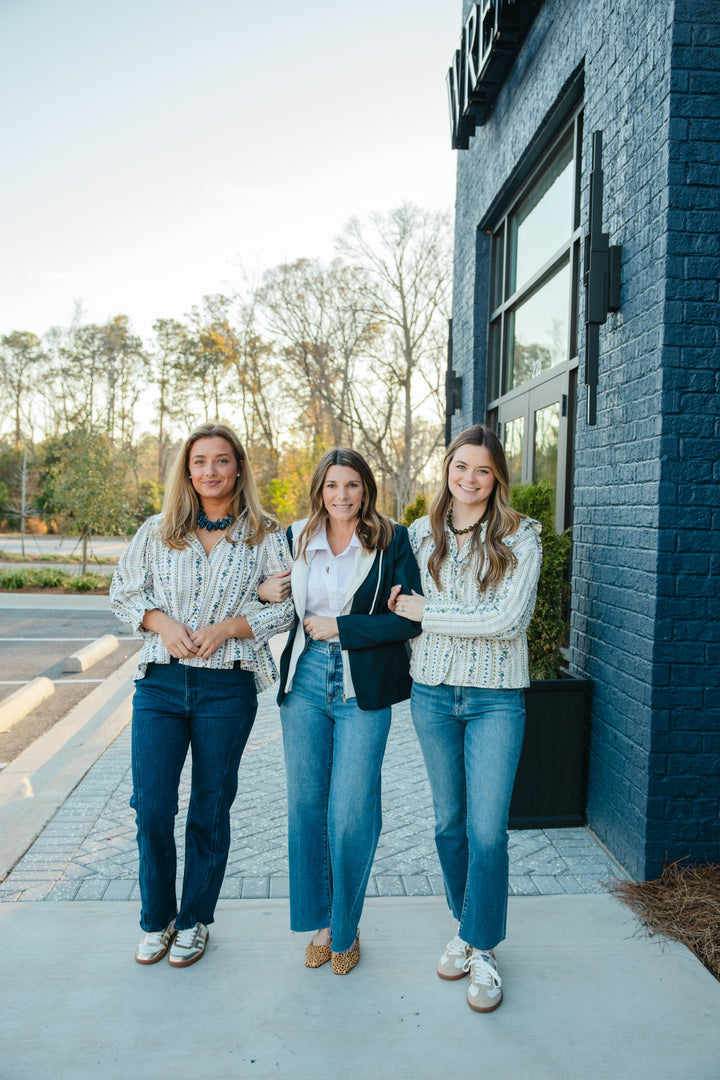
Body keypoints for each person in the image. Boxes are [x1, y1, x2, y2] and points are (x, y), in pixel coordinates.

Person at [110, 422, 293, 968]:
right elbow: (123, 593)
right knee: (152, 807)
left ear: (238, 467)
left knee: (210, 809)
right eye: (199, 462)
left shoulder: (263, 533)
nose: (210, 471)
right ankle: (157, 919)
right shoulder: (158, 530)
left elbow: (287, 606)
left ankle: (194, 920)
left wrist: (233, 626)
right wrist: (160, 622)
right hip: (161, 685)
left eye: (220, 460)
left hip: (227, 688)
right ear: (187, 471)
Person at [389, 425, 541, 1012]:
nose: (469, 479)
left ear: (496, 477)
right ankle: (466, 925)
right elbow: (399, 606)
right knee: (448, 825)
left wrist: (432, 613)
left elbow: (505, 620)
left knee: (487, 831)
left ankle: (483, 948)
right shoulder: (419, 536)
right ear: (447, 469)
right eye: (460, 467)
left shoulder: (521, 537)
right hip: (431, 694)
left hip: (496, 697)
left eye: (482, 470)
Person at [258, 448, 421, 974]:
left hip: (361, 686)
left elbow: (411, 619)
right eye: (333, 486)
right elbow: (277, 604)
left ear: (366, 489)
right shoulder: (295, 536)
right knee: (307, 804)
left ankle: (347, 928)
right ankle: (324, 924)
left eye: (352, 485)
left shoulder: (393, 539)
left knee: (349, 811)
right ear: (319, 490)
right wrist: (263, 595)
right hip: (304, 680)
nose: (343, 496)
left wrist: (344, 628)